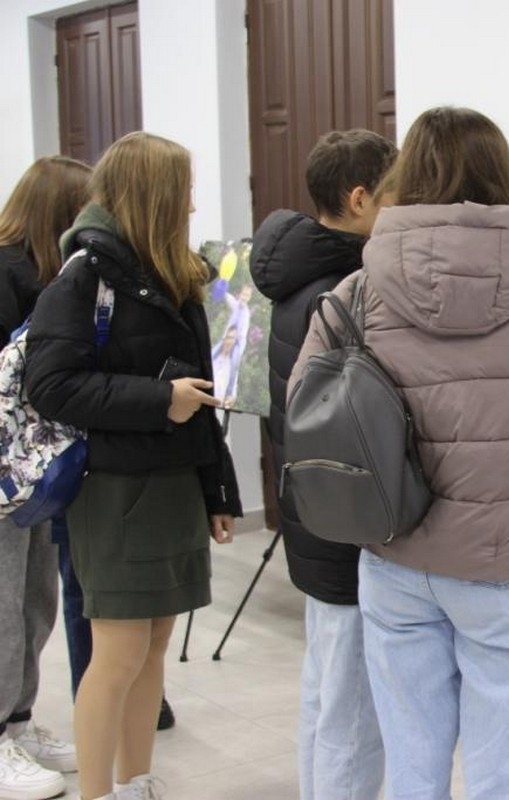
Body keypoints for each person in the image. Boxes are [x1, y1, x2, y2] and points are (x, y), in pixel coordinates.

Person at [291, 106, 509, 799]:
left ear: (405, 173)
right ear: (501, 174)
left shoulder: (357, 289)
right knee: (504, 776)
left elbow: (304, 410)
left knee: (413, 766)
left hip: (396, 551)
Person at [24, 131, 242, 800]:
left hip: (173, 484)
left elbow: (199, 397)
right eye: (183, 189)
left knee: (151, 650)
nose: (194, 202)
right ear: (153, 195)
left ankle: (135, 781)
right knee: (117, 654)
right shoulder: (85, 275)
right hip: (116, 492)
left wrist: (217, 490)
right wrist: (158, 400)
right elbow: (52, 385)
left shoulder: (174, 275)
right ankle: (96, 793)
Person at [250, 128, 396, 800]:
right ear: (361, 197)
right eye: (395, 192)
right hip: (346, 524)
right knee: (351, 712)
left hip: (316, 516)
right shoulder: (346, 288)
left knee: (326, 693)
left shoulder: (299, 275)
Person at [0, 155, 90, 800]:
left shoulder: (47, 274)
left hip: (35, 470)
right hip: (7, 470)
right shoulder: (8, 272)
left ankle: (20, 720)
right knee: (4, 607)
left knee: (36, 601)